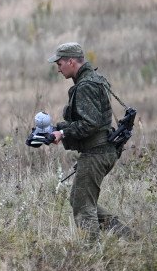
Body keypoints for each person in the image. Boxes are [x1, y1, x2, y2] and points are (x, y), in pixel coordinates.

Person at [47, 42, 130, 239]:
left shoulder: (86, 86)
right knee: (79, 199)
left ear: (71, 61)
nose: (58, 69)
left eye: (59, 64)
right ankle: (128, 237)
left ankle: (91, 256)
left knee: (83, 208)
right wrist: (57, 129)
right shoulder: (93, 80)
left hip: (97, 153)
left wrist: (63, 134)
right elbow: (92, 121)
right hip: (101, 150)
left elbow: (90, 124)